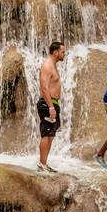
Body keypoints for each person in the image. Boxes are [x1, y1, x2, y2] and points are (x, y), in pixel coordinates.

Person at [37, 41, 66, 172]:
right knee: (46, 133)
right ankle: (41, 164)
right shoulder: (47, 65)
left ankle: (44, 163)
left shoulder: (53, 65)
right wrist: (50, 107)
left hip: (53, 103)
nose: (64, 54)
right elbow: (44, 87)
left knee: (51, 134)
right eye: (62, 52)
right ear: (55, 52)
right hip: (47, 104)